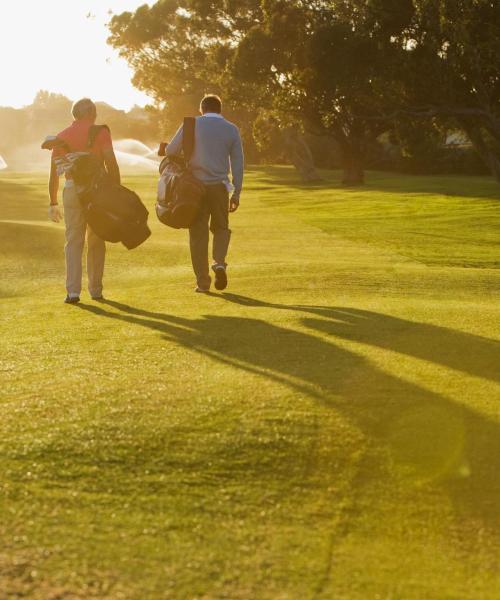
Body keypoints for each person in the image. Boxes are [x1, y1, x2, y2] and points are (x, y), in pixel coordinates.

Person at [166, 94, 244, 292]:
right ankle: (219, 262)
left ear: (202, 109)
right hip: (219, 187)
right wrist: (237, 193)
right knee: (221, 228)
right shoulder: (231, 129)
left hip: (194, 188)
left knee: (198, 234)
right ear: (220, 110)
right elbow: (238, 164)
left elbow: (171, 151)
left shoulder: (191, 124)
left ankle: (203, 283)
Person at [48, 98, 121, 304]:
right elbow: (111, 163)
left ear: (74, 114)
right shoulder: (101, 132)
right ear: (93, 113)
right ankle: (96, 290)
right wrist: (115, 191)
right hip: (97, 191)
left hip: (71, 190)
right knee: (96, 239)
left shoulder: (61, 136)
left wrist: (53, 202)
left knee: (73, 240)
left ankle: (73, 292)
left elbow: (54, 173)